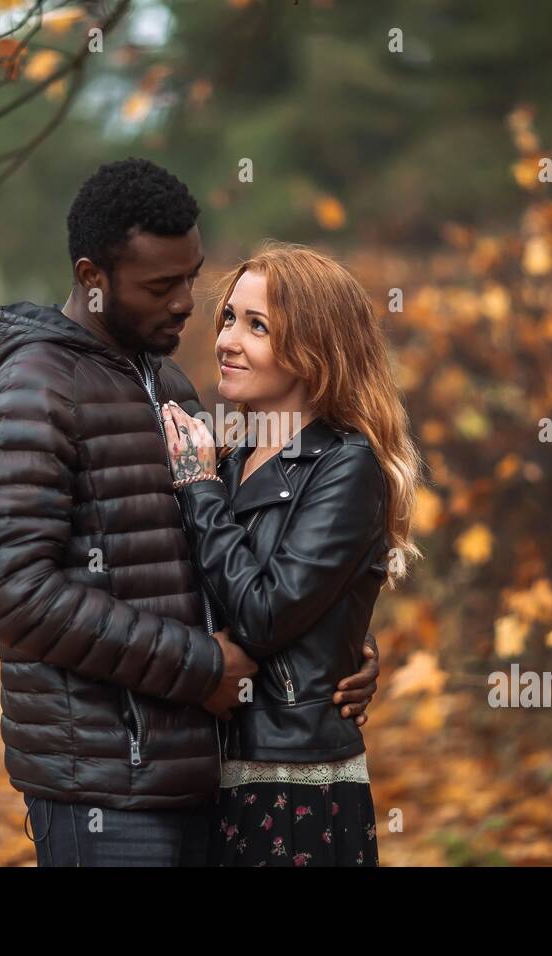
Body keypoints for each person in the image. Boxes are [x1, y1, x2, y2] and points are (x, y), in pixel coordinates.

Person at [0, 158, 381, 866]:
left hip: (203, 777)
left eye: (192, 277)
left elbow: (227, 561)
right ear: (93, 278)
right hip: (103, 788)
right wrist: (197, 667)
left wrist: (330, 647)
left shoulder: (170, 385)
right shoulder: (34, 390)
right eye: (162, 286)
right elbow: (9, 589)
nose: (189, 303)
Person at [161, 242, 422, 866]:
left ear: (315, 351)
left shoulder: (346, 465)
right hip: (212, 774)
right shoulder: (226, 453)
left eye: (258, 327)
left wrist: (196, 491)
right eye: (229, 317)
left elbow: (264, 614)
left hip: (292, 784)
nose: (227, 339)